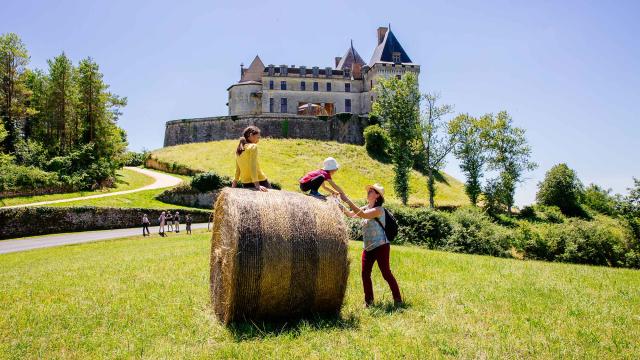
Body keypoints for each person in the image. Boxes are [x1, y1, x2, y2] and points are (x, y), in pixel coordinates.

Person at [339, 183, 402, 307]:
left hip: (381, 245)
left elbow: (362, 215)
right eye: (369, 190)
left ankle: (398, 299)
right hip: (368, 247)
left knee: (386, 273)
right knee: (365, 273)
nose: (369, 191)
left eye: (372, 191)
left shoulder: (379, 210)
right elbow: (350, 214)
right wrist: (337, 203)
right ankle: (369, 302)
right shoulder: (366, 207)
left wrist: (347, 199)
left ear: (377, 196)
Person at [231, 126, 271, 192]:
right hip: (260, 181)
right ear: (251, 135)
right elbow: (253, 166)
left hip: (246, 183)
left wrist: (235, 182)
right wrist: (257, 185)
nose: (258, 140)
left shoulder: (239, 149)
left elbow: (238, 169)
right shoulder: (253, 147)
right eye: (258, 137)